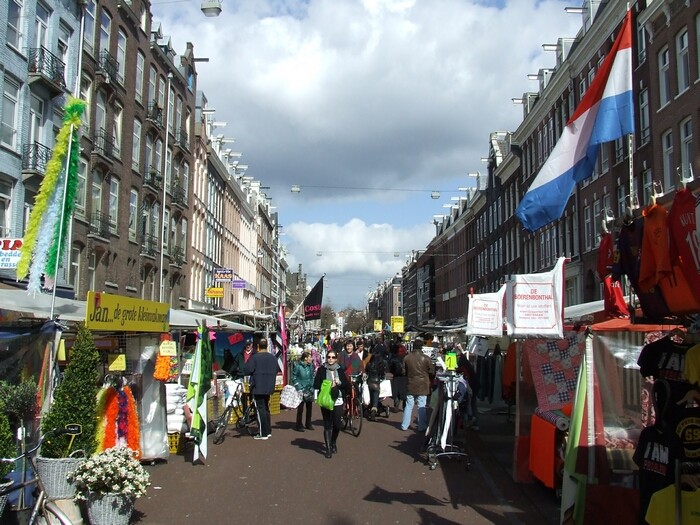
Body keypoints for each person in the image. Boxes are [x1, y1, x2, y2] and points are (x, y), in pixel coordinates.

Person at [313, 350, 350, 458]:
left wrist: (339, 383)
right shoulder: (321, 370)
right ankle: (328, 449)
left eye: (333, 357)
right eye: (329, 357)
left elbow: (346, 386)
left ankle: (333, 441)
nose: (330, 359)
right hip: (326, 400)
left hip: (338, 400)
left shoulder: (340, 370)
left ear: (336, 358)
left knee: (337, 423)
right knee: (327, 424)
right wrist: (325, 384)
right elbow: (316, 384)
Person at [244, 338, 280, 440]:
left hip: (258, 386)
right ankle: (267, 430)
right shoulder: (273, 358)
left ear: (258, 347)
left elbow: (247, 369)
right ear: (267, 346)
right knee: (266, 408)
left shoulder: (255, 357)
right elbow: (277, 369)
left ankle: (262, 433)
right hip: (269, 386)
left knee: (260, 410)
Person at [401, 338, 435, 432]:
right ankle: (422, 426)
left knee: (409, 405)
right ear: (421, 347)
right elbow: (432, 371)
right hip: (423, 384)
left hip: (411, 383)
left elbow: (403, 372)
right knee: (422, 406)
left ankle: (404, 425)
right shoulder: (426, 358)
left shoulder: (407, 358)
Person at [292, 350, 315, 431]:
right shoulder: (298, 366)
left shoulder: (311, 366)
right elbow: (294, 378)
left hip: (309, 389)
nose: (311, 358)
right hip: (301, 390)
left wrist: (312, 386)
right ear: (305, 358)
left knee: (309, 408)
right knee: (300, 409)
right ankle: (299, 425)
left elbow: (312, 376)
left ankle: (308, 423)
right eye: (309, 357)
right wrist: (299, 388)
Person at [365, 349, 387, 420]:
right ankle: (374, 410)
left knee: (371, 395)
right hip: (377, 382)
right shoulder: (381, 363)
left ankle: (371, 407)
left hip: (370, 381)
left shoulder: (369, 364)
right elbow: (382, 374)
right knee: (376, 396)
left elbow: (367, 371)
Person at [389, 343, 408, 410]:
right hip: (405, 377)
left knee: (396, 391)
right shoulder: (406, 358)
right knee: (405, 392)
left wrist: (393, 372)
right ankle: (404, 405)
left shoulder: (394, 358)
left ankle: (396, 401)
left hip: (396, 377)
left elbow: (390, 368)